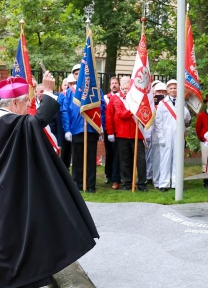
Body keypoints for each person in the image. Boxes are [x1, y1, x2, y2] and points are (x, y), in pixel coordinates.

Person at [0, 74, 99, 288]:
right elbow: (36, 123)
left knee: (29, 236)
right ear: (15, 103)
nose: (28, 108)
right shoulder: (5, 121)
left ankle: (23, 284)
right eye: (26, 103)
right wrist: (48, 91)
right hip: (8, 198)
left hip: (15, 193)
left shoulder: (7, 122)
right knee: (9, 244)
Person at [61, 64, 105, 193]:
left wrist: (100, 125)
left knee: (91, 158)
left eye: (80, 73)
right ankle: (78, 183)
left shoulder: (95, 91)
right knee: (77, 158)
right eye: (75, 73)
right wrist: (67, 129)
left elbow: (101, 108)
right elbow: (65, 111)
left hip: (91, 128)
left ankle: (90, 184)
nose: (78, 75)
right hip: (76, 129)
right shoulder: (70, 92)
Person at [107, 77, 148, 191]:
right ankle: (126, 183)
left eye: (127, 88)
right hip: (122, 134)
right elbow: (116, 115)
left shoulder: (136, 99)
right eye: (123, 88)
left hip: (137, 133)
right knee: (125, 160)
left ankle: (141, 183)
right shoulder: (116, 98)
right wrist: (110, 132)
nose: (125, 90)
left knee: (140, 160)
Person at [154, 79, 191, 192]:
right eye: (171, 88)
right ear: (167, 90)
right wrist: (160, 137)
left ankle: (176, 183)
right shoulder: (162, 103)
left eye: (175, 88)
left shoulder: (182, 102)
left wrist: (182, 105)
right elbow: (158, 121)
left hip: (178, 134)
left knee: (177, 159)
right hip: (166, 134)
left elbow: (187, 118)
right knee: (165, 160)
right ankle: (164, 184)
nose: (173, 90)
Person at [102, 77, 121, 187]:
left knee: (118, 154)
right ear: (109, 86)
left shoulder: (122, 97)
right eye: (112, 83)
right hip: (108, 129)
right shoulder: (105, 98)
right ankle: (108, 175)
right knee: (109, 153)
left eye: (116, 83)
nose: (114, 85)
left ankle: (117, 176)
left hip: (119, 130)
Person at [149, 82, 167, 189]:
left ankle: (166, 180)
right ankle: (156, 181)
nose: (160, 93)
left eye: (163, 92)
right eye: (158, 92)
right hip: (155, 135)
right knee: (156, 159)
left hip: (168, 135)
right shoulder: (151, 104)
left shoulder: (169, 103)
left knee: (166, 160)